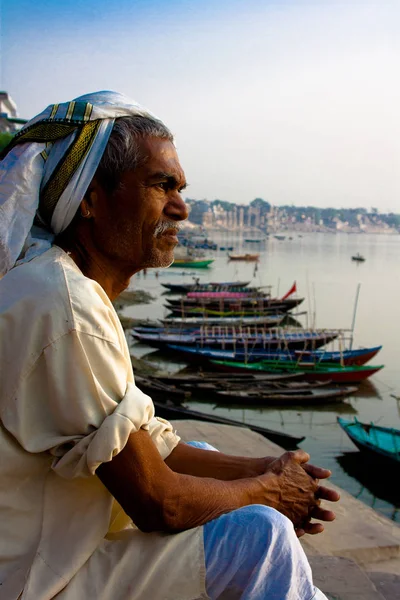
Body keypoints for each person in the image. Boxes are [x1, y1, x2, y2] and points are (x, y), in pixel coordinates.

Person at [0, 91, 339, 600]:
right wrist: (271, 492)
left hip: (50, 543)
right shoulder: (64, 306)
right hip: (36, 575)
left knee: (200, 453)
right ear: (90, 198)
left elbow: (149, 443)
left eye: (180, 188)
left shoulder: (56, 285)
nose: (181, 208)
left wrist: (268, 469)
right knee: (261, 537)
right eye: (162, 186)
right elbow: (159, 502)